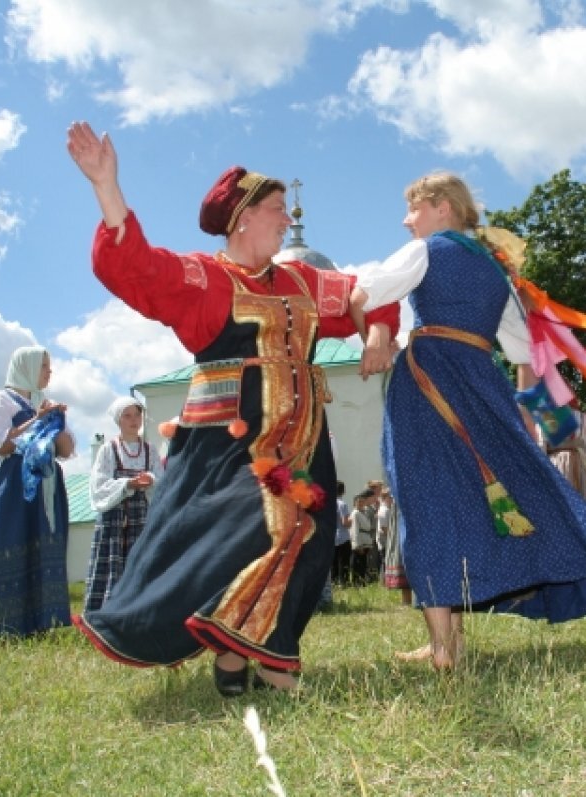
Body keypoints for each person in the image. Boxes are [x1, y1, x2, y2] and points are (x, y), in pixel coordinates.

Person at [66, 122, 400, 695]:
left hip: (303, 433)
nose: (286, 217)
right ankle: (249, 654)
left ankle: (249, 658)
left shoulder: (301, 278)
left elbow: (366, 292)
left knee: (312, 536)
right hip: (229, 439)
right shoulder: (207, 278)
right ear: (244, 216)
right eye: (275, 208)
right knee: (260, 524)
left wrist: (375, 334)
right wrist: (106, 187)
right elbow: (137, 269)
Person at [350, 171, 586, 671]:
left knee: (427, 499)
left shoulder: (427, 250)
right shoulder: (493, 268)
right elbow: (523, 351)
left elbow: (362, 294)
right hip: (482, 386)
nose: (405, 220)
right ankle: (449, 636)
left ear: (441, 207)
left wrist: (376, 341)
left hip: (427, 382)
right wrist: (526, 415)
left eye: (412, 209)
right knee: (466, 497)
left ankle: (444, 646)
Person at [0, 346, 74, 637]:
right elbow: (1, 445)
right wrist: (38, 420)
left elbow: (66, 450)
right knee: (10, 541)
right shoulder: (0, 401)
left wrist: (55, 424)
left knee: (43, 543)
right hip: (11, 483)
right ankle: (4, 626)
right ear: (27, 367)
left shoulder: (44, 402)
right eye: (44, 366)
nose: (49, 372)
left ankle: (43, 623)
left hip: (45, 482)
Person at [84, 396, 164, 612]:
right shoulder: (108, 450)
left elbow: (161, 479)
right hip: (114, 518)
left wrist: (150, 481)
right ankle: (104, 613)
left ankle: (138, 611)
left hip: (142, 517)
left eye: (137, 415)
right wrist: (128, 483)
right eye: (128, 416)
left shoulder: (150, 450)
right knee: (113, 565)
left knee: (140, 563)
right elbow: (99, 485)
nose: (134, 420)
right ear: (119, 420)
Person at [540, 404, 586, 514]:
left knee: (583, 506)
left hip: (578, 467)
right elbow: (541, 445)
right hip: (557, 466)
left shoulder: (582, 417)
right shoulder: (547, 416)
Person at [332, 481, 353, 586]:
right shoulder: (342, 504)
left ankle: (334, 581)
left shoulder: (330, 503)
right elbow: (345, 522)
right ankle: (343, 582)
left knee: (333, 562)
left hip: (332, 536)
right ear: (343, 491)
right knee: (343, 561)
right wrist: (351, 521)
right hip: (343, 536)